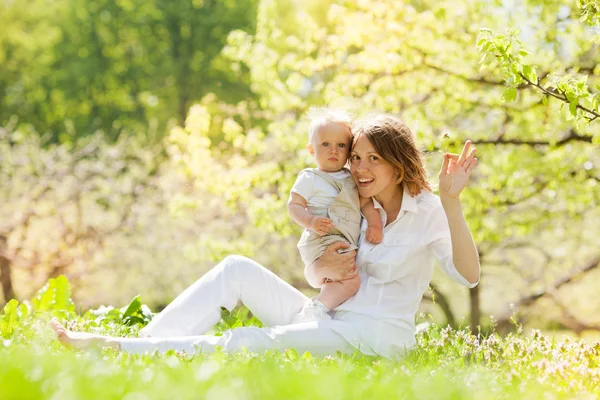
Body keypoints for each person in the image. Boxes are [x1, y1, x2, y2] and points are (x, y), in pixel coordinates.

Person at [51, 113, 480, 359]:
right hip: (323, 314)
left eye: (373, 160)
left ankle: (110, 348)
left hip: (368, 337)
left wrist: (452, 203)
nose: (360, 168)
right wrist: (318, 272)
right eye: (357, 157)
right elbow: (323, 271)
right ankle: (143, 346)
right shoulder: (349, 198)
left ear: (399, 166)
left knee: (251, 342)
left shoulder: (427, 210)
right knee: (235, 269)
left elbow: (468, 276)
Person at [287, 108, 382, 323]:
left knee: (342, 280)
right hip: (320, 239)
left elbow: (366, 204)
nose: (334, 151)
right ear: (312, 149)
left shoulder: (351, 178)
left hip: (342, 241)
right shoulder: (310, 178)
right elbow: (294, 205)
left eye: (341, 145)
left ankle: (321, 308)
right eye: (326, 145)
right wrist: (310, 221)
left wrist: (375, 225)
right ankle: (316, 308)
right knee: (351, 281)